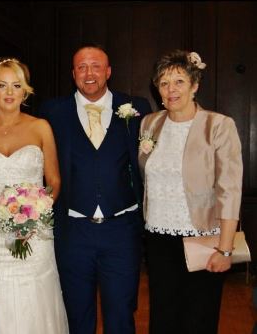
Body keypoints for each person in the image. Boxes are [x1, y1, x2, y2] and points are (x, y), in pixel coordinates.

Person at [39, 44, 152, 334]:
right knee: (77, 317)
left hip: (121, 232)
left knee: (121, 316)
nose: (89, 73)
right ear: (73, 73)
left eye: (96, 66)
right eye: (81, 67)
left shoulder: (136, 108)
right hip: (73, 232)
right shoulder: (52, 112)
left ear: (109, 71)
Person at [0, 57, 69, 333]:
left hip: (34, 233)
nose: (9, 92)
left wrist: (34, 216)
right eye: (2, 85)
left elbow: (53, 181)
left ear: (25, 91)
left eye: (16, 85)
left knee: (34, 297)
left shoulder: (40, 127)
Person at [138, 49, 243, 334]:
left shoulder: (218, 125)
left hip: (203, 239)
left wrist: (225, 247)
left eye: (179, 81)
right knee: (163, 316)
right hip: (158, 238)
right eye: (164, 83)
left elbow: (229, 191)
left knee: (199, 319)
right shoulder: (150, 123)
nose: (171, 90)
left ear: (195, 85)